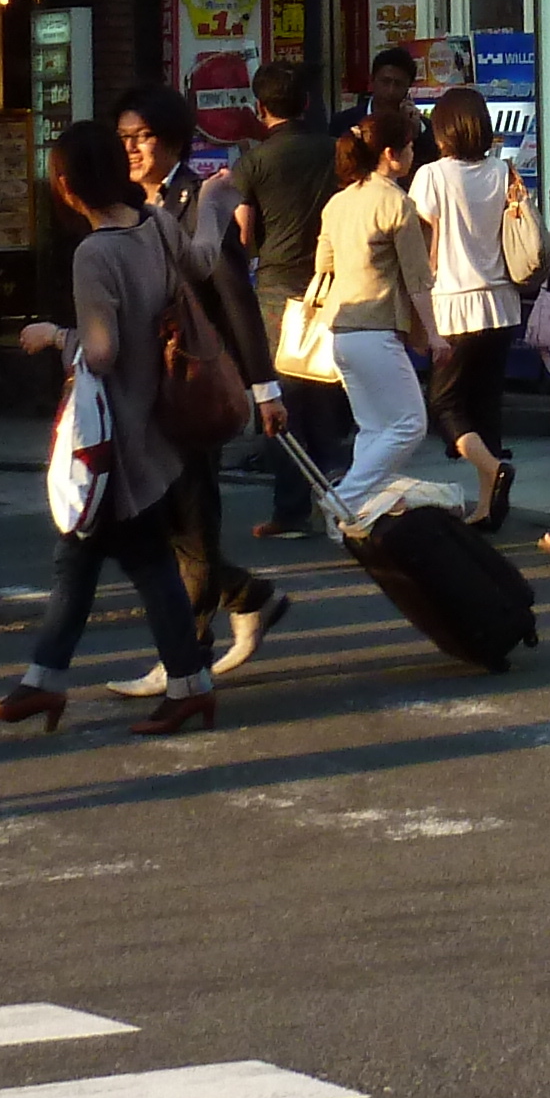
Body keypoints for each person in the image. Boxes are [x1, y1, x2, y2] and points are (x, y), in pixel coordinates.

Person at [0, 123, 218, 736]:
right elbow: (204, 262)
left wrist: (51, 336)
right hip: (153, 422)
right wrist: (216, 203)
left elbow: (102, 350)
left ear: (65, 185)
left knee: (122, 560)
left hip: (113, 433)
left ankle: (178, 684)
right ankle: (44, 681)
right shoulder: (160, 224)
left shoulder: (95, 253)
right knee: (91, 559)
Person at [111, 87, 290, 688]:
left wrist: (264, 388)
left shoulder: (200, 200)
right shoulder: (123, 203)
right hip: (141, 387)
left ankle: (184, 657)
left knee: (188, 513)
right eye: (123, 139)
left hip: (192, 381)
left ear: (172, 139)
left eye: (141, 137)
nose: (131, 149)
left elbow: (234, 298)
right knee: (153, 517)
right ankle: (248, 594)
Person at [235, 60, 348, 537]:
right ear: (306, 102)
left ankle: (290, 508)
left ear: (260, 109)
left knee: (282, 396)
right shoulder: (334, 151)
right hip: (333, 279)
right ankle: (338, 489)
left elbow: (241, 232)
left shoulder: (254, 162)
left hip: (277, 286)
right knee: (328, 388)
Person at [302, 125, 434, 519]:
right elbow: (418, 277)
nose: (412, 154)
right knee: (410, 424)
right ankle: (342, 498)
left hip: (339, 328)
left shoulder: (337, 203)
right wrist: (436, 335)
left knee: (374, 428)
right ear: (391, 154)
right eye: (409, 147)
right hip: (377, 327)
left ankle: (354, 516)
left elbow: (322, 266)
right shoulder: (396, 203)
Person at [407, 87, 523, 530]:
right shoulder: (502, 171)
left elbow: (420, 243)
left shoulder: (432, 176)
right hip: (502, 303)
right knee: (486, 405)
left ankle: (493, 473)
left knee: (445, 405)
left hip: (454, 304)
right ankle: (489, 506)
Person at [344, 49, 430, 183]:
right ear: (372, 81)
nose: (391, 91)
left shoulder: (422, 127)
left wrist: (415, 132)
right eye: (385, 81)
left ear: (408, 88)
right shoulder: (345, 122)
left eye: (398, 84)